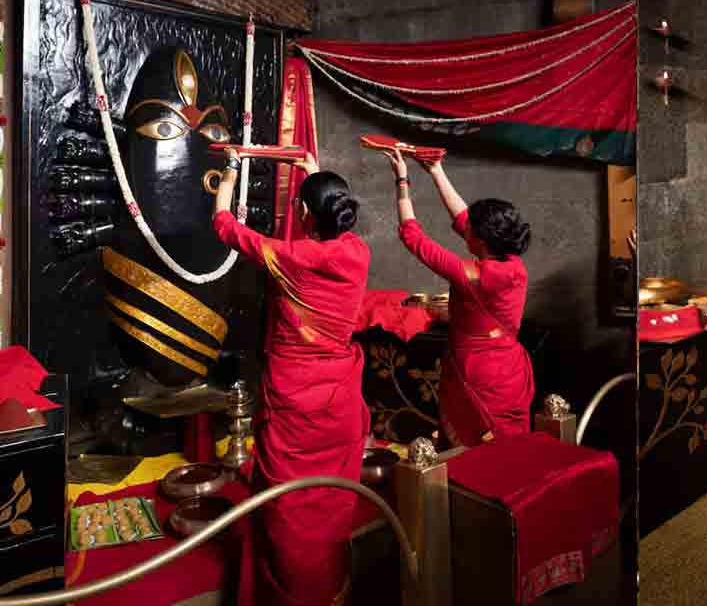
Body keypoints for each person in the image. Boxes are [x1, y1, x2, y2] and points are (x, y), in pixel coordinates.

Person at [211, 150, 370, 606]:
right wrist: (313, 170)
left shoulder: (290, 257)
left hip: (295, 398)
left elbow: (223, 223)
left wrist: (231, 167)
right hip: (336, 401)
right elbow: (326, 211)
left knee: (287, 506)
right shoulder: (358, 252)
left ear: (302, 214)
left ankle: (289, 593)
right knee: (328, 502)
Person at [384, 149, 533, 448]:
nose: (465, 228)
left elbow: (413, 238)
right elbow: (464, 217)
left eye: (470, 230)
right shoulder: (513, 263)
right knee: (510, 451)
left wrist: (402, 180)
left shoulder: (473, 275)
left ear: (479, 239)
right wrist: (436, 171)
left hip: (478, 375)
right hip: (508, 369)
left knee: (476, 452)